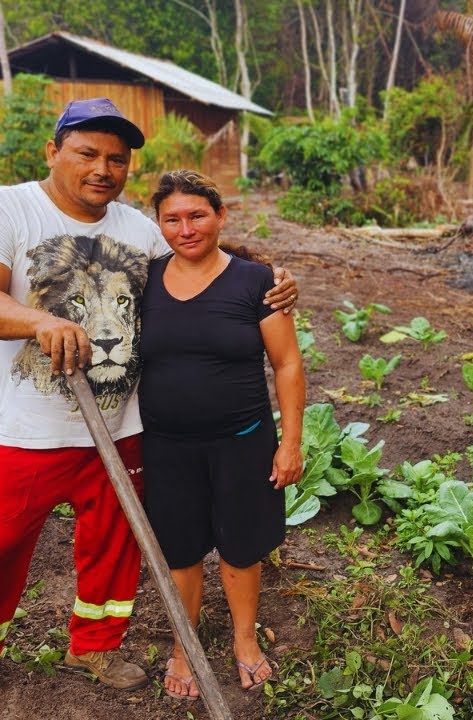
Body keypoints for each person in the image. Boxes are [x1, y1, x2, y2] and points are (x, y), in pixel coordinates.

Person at [0, 98, 299, 720]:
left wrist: (272, 278)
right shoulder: (3, 208)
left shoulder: (135, 227)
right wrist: (41, 320)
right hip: (30, 431)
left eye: (116, 159)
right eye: (87, 153)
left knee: (114, 549)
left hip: (124, 428)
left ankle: (94, 646)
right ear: (53, 151)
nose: (103, 168)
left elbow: (197, 251)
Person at [137, 170, 304, 700]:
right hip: (166, 444)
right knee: (181, 552)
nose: (186, 228)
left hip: (243, 439)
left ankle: (244, 639)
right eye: (172, 218)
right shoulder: (144, 280)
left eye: (197, 215)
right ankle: (184, 645)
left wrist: (290, 440)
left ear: (220, 215)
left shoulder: (256, 282)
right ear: (159, 224)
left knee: (240, 547)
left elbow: (287, 364)